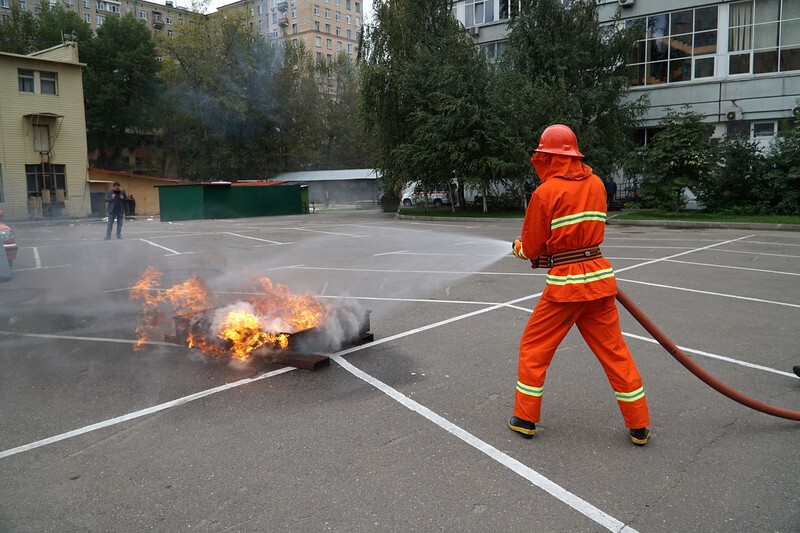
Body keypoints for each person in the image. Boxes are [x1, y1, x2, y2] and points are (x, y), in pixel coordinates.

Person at [510, 124, 651, 446]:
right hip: (599, 281)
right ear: (574, 154)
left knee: (534, 349)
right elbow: (575, 234)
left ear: (546, 157)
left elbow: (533, 247)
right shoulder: (598, 184)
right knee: (616, 353)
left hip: (566, 287)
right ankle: (639, 424)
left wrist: (520, 249)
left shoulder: (545, 193)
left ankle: (525, 418)